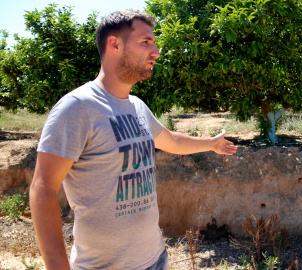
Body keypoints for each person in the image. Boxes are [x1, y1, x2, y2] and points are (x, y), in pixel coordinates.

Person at [29, 10, 237, 270]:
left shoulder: (137, 106)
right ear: (115, 44)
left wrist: (211, 144)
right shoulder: (78, 108)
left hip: (155, 259)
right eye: (146, 42)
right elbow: (43, 189)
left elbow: (170, 140)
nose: (157, 52)